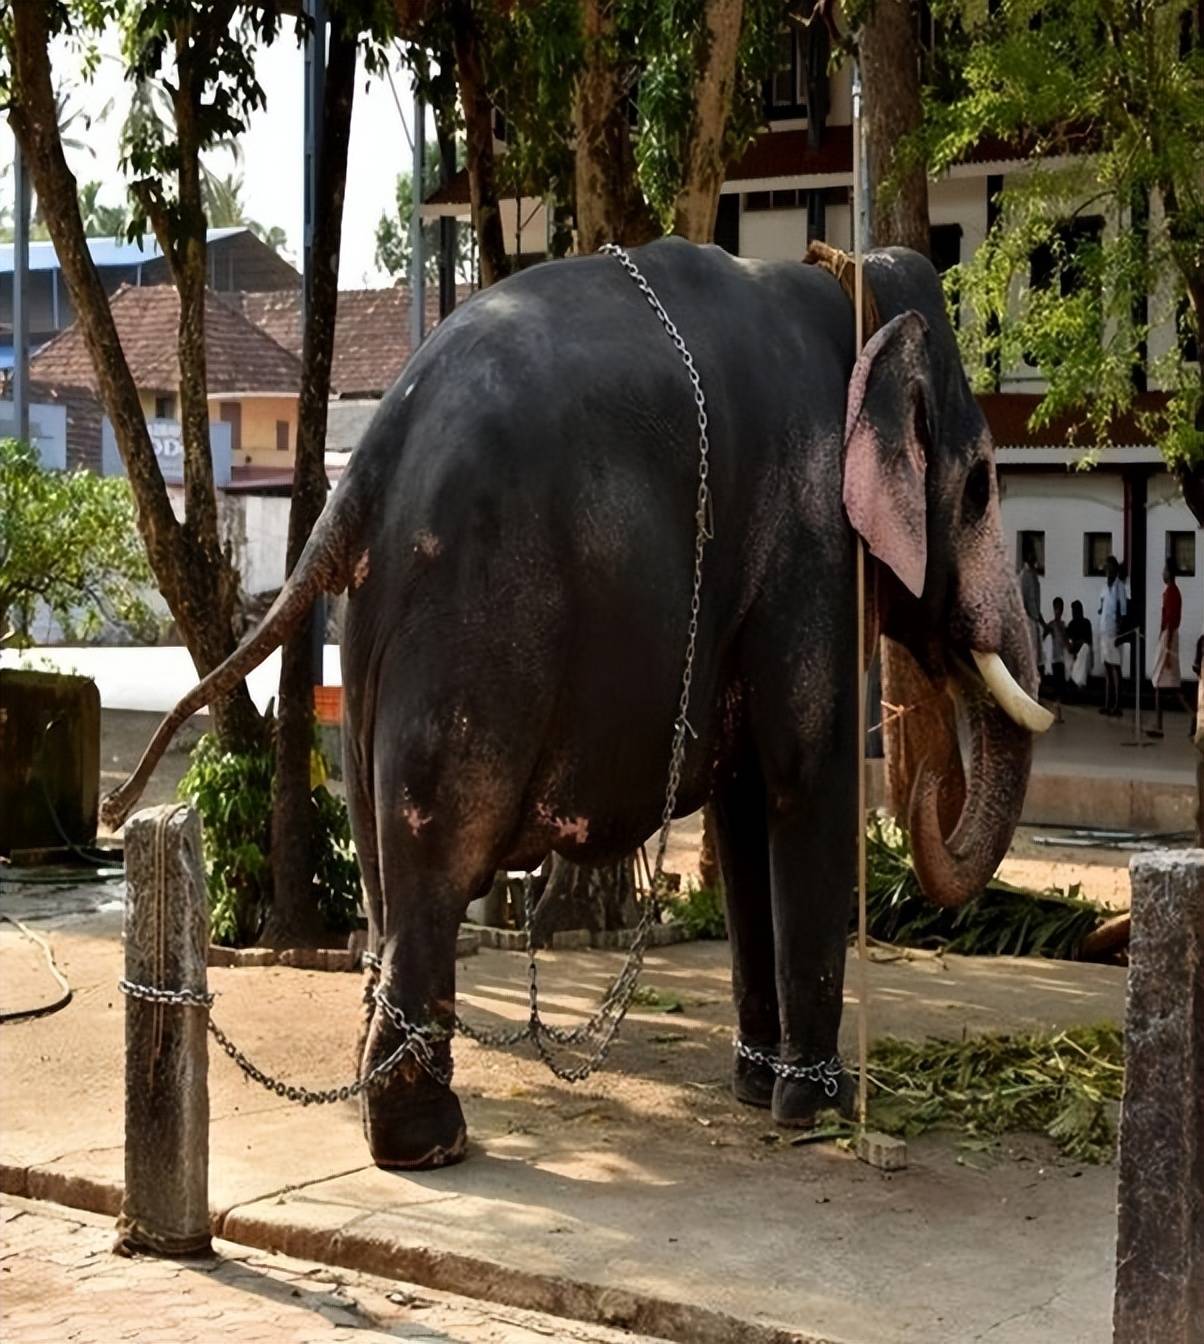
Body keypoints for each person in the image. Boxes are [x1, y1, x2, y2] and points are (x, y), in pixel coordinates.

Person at [1149, 560, 1192, 737]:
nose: (1162, 573)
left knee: (1162, 682)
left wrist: (1166, 651)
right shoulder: (1169, 592)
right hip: (1168, 636)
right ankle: (1161, 723)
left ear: (1170, 573)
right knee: (1169, 686)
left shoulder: (1173, 593)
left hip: (1170, 638)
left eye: (1164, 570)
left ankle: (1163, 724)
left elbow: (1171, 621)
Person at [1098, 554, 1127, 716]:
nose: (1107, 570)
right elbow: (1102, 606)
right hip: (1103, 630)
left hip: (1113, 632)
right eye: (1106, 568)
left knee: (1116, 667)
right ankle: (1107, 703)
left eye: (1110, 567)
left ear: (1115, 569)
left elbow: (1122, 612)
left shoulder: (1120, 587)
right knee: (1107, 667)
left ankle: (1117, 704)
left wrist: (1119, 633)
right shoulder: (1104, 588)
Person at [1019, 544, 1045, 677]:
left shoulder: (1033, 574)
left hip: (1034, 619)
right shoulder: (1024, 576)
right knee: (1031, 654)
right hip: (1028, 619)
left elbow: (1035, 602)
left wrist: (1042, 622)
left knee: (1037, 656)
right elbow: (1023, 600)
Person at [1045, 596, 1069, 721]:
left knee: (1060, 687)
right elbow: (1045, 636)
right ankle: (1056, 714)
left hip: (1061, 659)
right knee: (1057, 687)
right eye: (1057, 608)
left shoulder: (1062, 625)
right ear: (1054, 609)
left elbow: (1065, 641)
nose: (1059, 610)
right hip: (1054, 660)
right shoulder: (1051, 625)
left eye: (1061, 608)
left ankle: (1058, 714)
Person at [1066, 599, 1093, 690]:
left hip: (1083, 652)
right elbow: (1069, 641)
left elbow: (1088, 642)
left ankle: (1077, 681)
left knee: (1085, 649)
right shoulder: (1071, 624)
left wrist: (1078, 644)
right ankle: (1074, 680)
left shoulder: (1086, 623)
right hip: (1074, 651)